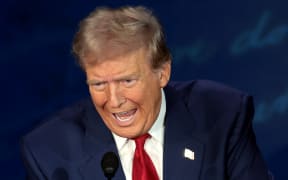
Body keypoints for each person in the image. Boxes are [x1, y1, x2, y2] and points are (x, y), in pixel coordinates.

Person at [21, 5, 271, 180]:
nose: (114, 100)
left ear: (162, 72)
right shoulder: (48, 151)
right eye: (98, 85)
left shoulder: (221, 115)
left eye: (127, 81)